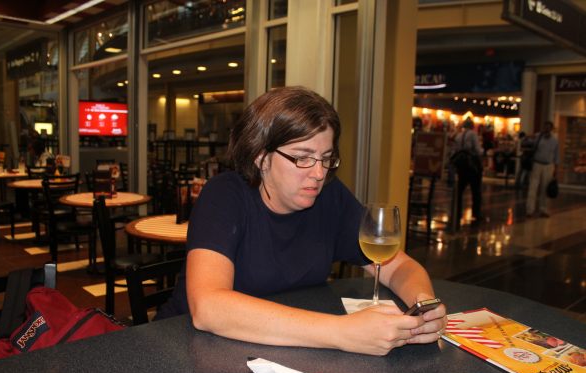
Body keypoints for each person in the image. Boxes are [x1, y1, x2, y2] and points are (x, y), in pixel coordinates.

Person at [157, 86, 446, 356]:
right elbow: (208, 308)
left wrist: (424, 304)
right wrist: (342, 332)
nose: (319, 174)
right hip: (186, 350)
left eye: (326, 158)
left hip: (281, 352)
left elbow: (399, 266)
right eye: (302, 158)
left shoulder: (329, 196)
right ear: (261, 157)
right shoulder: (225, 195)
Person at [452, 118, 483, 225]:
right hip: (472, 166)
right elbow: (478, 150)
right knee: (476, 190)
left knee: (460, 190)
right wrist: (482, 152)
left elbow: (455, 150)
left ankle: (457, 210)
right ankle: (476, 213)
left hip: (461, 166)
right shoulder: (473, 135)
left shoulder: (459, 135)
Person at [526, 121, 559, 218]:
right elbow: (526, 142)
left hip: (548, 165)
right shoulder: (538, 137)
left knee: (545, 188)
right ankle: (530, 210)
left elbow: (556, 155)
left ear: (551, 129)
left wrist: (556, 169)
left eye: (549, 127)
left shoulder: (555, 140)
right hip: (537, 164)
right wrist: (529, 137)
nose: (547, 129)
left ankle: (543, 209)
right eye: (545, 127)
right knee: (533, 187)